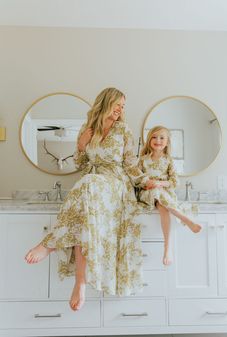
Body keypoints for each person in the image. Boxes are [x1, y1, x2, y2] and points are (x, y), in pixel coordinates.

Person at [25, 87, 155, 311]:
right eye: (117, 105)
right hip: (93, 184)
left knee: (87, 184)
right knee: (84, 211)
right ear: (106, 102)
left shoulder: (123, 130)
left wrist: (145, 181)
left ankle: (49, 244)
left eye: (123, 107)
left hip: (115, 184)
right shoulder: (88, 129)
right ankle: (80, 282)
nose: (120, 110)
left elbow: (130, 164)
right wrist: (81, 146)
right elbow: (80, 165)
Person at [138, 126, 202, 266]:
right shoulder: (143, 160)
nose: (158, 140)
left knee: (162, 207)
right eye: (154, 137)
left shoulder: (168, 160)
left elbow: (174, 181)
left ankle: (167, 248)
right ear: (149, 140)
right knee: (156, 192)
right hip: (148, 194)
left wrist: (160, 184)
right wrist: (147, 183)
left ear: (167, 142)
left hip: (163, 195)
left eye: (162, 138)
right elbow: (138, 180)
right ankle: (185, 219)